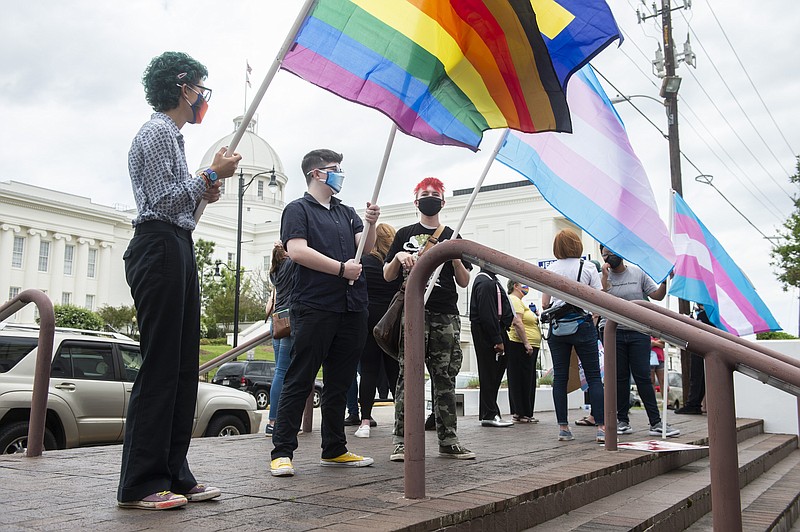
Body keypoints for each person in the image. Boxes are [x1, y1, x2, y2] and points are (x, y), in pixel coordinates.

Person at [118, 51, 242, 510]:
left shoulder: (173, 138)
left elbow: (181, 203)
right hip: (159, 246)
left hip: (177, 244)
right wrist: (210, 174)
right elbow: (164, 201)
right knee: (161, 366)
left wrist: (203, 186)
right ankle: (140, 482)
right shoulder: (155, 134)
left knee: (183, 366)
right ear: (181, 86)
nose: (203, 98)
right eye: (199, 88)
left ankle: (173, 470)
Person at [269, 149, 380, 477]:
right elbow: (297, 250)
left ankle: (334, 448)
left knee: (341, 381)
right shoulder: (297, 210)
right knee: (300, 377)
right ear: (317, 173)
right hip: (315, 305)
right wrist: (341, 269)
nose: (339, 174)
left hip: (353, 307)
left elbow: (368, 247)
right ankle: (282, 451)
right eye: (334, 169)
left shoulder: (347, 213)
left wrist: (371, 224)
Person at [384, 177, 474, 461]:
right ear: (416, 201)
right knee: (406, 375)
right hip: (413, 313)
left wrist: (453, 254)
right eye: (425, 194)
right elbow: (387, 274)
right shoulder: (404, 233)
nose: (430, 197)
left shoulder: (453, 234)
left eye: (435, 194)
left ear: (443, 202)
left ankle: (449, 440)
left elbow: (464, 281)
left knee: (445, 377)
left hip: (445, 314)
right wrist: (398, 256)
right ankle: (401, 440)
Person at [599, 244, 680, 437]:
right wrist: (603, 277)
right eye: (605, 255)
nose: (609, 258)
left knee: (643, 376)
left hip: (638, 331)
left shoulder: (638, 273)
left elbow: (657, 296)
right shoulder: (602, 276)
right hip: (613, 332)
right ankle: (622, 421)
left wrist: (666, 281)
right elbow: (600, 298)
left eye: (611, 253)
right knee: (619, 377)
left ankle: (656, 422)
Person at [541, 229, 605, 443]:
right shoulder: (587, 266)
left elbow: (544, 304)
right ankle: (601, 429)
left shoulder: (550, 269)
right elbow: (599, 299)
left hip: (559, 329)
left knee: (560, 377)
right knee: (594, 377)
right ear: (577, 245)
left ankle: (563, 428)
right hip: (582, 325)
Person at [354, 223, 403, 438]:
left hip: (368, 320)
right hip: (391, 320)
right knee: (394, 370)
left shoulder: (364, 262)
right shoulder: (395, 264)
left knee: (368, 370)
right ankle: (401, 419)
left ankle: (365, 420)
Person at [470, 268, 514, 427]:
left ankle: (490, 411)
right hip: (490, 333)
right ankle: (490, 413)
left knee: (493, 373)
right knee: (490, 373)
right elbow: (487, 313)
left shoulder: (487, 281)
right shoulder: (486, 283)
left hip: (495, 330)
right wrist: (497, 339)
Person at [264, 241, 295, 437]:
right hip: (290, 321)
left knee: (280, 372)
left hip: (276, 322)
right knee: (285, 372)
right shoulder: (290, 265)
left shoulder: (275, 271)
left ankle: (272, 421)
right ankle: (276, 421)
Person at [506, 280, 541, 423]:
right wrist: (527, 343)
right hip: (520, 344)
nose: (527, 287)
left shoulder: (520, 302)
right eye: (523, 284)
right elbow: (517, 322)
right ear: (515, 286)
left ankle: (524, 412)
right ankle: (521, 412)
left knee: (527, 379)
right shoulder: (514, 299)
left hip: (528, 344)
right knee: (522, 379)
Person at [675, 304, 711, 415]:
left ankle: (693, 404)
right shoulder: (707, 313)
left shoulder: (707, 314)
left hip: (701, 343)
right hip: (705, 343)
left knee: (697, 375)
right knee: (700, 376)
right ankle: (694, 403)